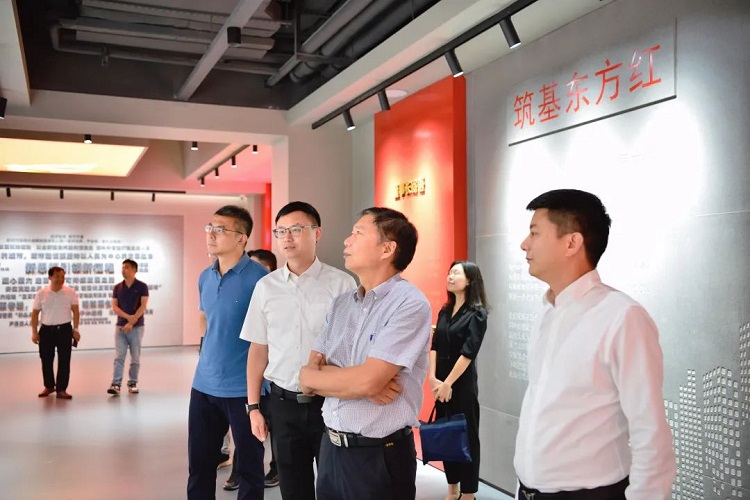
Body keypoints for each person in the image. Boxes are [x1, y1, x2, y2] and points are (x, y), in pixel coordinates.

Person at [515, 189, 676, 500]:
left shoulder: (622, 317)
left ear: (572, 243)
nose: (525, 244)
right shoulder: (547, 313)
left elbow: (650, 432)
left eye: (534, 232)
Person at [299, 207, 432, 500]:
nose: (347, 241)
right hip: (331, 449)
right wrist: (360, 383)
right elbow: (306, 377)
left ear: (387, 249)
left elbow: (366, 381)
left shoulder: (409, 304)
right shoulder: (341, 304)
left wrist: (359, 381)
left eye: (358, 233)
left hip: (379, 456)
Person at [241, 202, 357, 499]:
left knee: (336, 487)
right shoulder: (266, 287)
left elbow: (352, 349)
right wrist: (253, 408)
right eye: (280, 231)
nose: (287, 237)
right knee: (293, 489)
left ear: (317, 233)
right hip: (283, 405)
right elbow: (258, 350)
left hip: (331, 403)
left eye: (296, 229)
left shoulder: (342, 284)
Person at [187, 205, 268, 500]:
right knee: (200, 464)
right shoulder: (205, 276)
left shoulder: (261, 280)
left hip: (244, 389)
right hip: (204, 385)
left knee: (249, 468)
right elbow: (206, 318)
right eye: (210, 227)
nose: (211, 234)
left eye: (220, 229)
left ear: (241, 238)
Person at [223, 248, 282, 492]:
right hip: (250, 379)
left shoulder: (278, 295)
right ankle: (238, 472)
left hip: (275, 380)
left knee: (276, 430)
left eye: (261, 269)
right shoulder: (245, 298)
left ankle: (276, 469)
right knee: (248, 429)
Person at [429, 261, 488, 500]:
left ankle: (468, 493)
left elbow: (468, 353)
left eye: (456, 273)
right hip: (440, 382)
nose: (450, 277)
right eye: (449, 272)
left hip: (461, 384)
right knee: (447, 434)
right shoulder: (445, 310)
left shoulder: (477, 313)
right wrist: (433, 378)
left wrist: (448, 383)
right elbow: (435, 345)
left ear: (469, 280)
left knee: (467, 436)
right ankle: (452, 489)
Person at [30, 266, 81, 400]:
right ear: (50, 277)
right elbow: (35, 314)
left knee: (64, 360)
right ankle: (49, 386)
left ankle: (61, 389)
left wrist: (76, 329)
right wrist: (34, 332)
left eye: (63, 276)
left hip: (64, 330)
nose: (61, 279)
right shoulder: (42, 293)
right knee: (46, 359)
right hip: (46, 331)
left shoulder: (70, 292)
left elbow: (76, 311)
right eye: (57, 276)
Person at [107, 259, 149, 395]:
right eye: (122, 267)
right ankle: (116, 384)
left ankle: (132, 383)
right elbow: (115, 306)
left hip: (136, 328)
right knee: (119, 357)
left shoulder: (142, 286)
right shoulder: (117, 287)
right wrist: (127, 318)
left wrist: (132, 322)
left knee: (135, 357)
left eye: (126, 267)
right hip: (120, 327)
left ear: (134, 270)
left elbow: (143, 305)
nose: (123, 270)